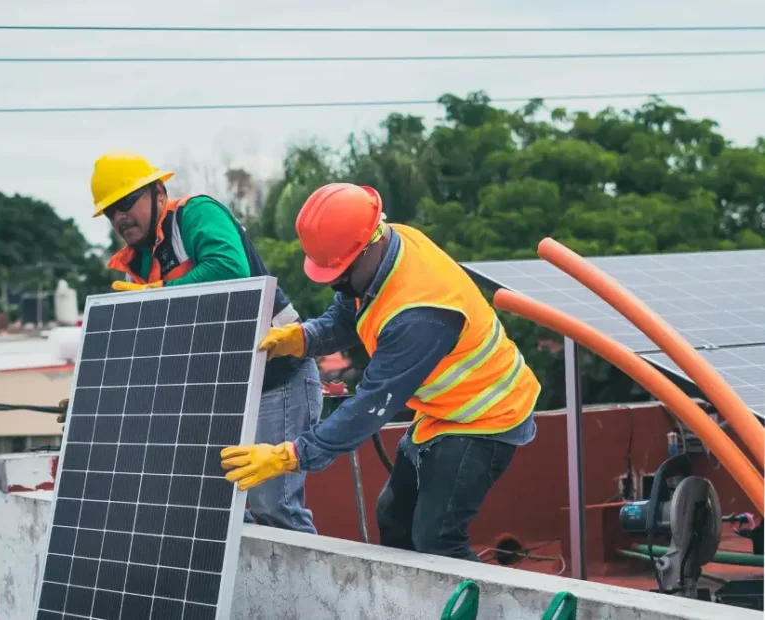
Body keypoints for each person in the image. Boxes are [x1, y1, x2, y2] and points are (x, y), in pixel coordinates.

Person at [220, 182, 540, 560]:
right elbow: (348, 312)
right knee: (393, 516)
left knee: (437, 539)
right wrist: (304, 337)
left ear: (368, 247)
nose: (336, 282)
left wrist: (290, 455)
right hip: (446, 411)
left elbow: (370, 406)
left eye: (339, 272)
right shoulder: (386, 248)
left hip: (487, 418)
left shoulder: (420, 316)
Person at [69, 149, 323, 534]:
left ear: (158, 192)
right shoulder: (137, 263)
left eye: (126, 203)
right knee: (224, 513)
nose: (120, 217)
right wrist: (98, 398)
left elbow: (230, 268)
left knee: (276, 510)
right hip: (223, 392)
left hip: (278, 378)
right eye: (110, 211)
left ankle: (305, 596)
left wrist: (158, 293)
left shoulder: (194, 214)